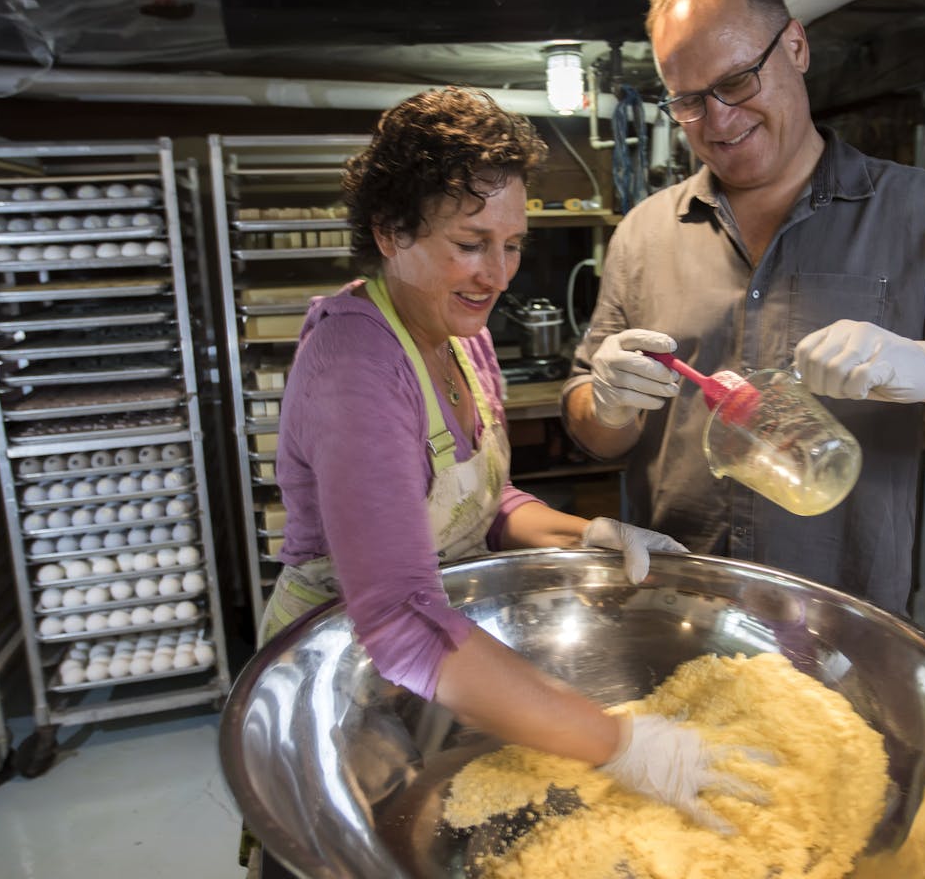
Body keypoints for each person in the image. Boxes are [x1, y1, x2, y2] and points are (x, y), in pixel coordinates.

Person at [260, 86, 760, 830]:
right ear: (392, 233)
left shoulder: (463, 333)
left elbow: (477, 505)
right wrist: (620, 742)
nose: (498, 275)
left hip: (435, 661)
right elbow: (396, 619)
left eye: (513, 242)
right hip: (342, 676)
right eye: (470, 244)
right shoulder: (357, 363)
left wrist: (586, 536)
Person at [562, 0, 925, 615]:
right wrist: (604, 404)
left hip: (843, 618)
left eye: (738, 80)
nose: (718, 121)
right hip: (677, 605)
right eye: (690, 101)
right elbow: (593, 432)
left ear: (796, 48)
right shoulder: (643, 233)